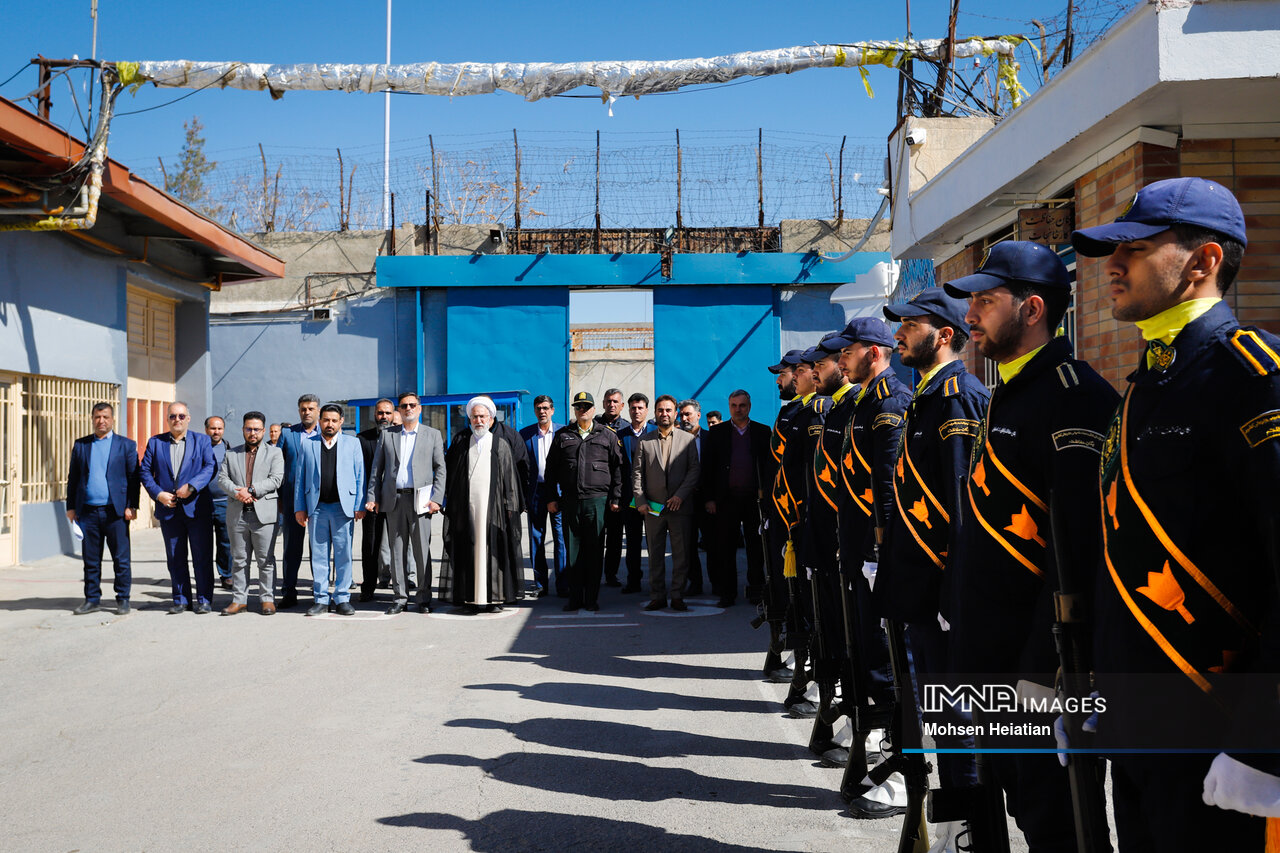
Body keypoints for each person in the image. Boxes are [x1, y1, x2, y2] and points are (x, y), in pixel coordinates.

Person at [1071, 177, 1280, 850]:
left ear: (1203, 261)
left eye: (1135, 247)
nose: (1113, 263)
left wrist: (1263, 745)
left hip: (1216, 734)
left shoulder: (1252, 378)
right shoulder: (1142, 388)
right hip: (1135, 729)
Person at [943, 241, 1120, 849]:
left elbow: (1080, 555)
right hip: (995, 657)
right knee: (1021, 805)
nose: (970, 314)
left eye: (986, 301)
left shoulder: (1074, 397)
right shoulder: (1011, 390)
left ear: (1033, 308)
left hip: (1038, 669)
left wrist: (1044, 676)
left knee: (1058, 821)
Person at [878, 287, 991, 843]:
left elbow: (963, 508)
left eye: (910, 325)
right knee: (939, 712)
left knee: (958, 715)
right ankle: (956, 820)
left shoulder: (957, 399)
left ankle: (968, 826)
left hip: (943, 591)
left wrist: (954, 592)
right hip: (920, 590)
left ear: (944, 335)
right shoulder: (927, 396)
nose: (899, 333)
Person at [833, 317, 913, 819]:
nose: (842, 359)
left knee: (892, 662)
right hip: (859, 547)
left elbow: (887, 487)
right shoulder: (865, 402)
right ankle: (887, 750)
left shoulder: (891, 403)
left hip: (879, 552)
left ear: (875, 352)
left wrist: (879, 554)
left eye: (849, 350)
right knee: (868, 653)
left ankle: (903, 765)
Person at [773, 348, 830, 717]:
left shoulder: (818, 411)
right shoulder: (798, 412)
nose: (790, 377)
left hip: (815, 523)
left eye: (799, 370)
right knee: (804, 604)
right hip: (797, 519)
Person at [366, 392, 446, 614]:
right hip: (394, 500)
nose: (408, 408)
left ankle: (423, 598)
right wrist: (372, 496)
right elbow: (377, 469)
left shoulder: (432, 435)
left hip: (421, 501)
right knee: (396, 551)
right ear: (398, 411)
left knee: (421, 551)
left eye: (412, 405)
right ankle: (400, 597)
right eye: (404, 406)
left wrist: (437, 498)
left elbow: (440, 468)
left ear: (419, 408)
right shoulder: (388, 435)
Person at [440, 396, 523, 611]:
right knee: (468, 551)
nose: (479, 420)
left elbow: (510, 479)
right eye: (475, 417)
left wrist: (510, 506)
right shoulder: (460, 442)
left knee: (492, 551)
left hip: (493, 509)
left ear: (491, 419)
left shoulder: (500, 444)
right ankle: (470, 599)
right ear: (469, 419)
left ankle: (494, 598)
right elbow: (451, 475)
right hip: (466, 508)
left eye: (483, 417)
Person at [545, 391, 623, 612]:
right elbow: (551, 470)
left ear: (594, 409)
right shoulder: (563, 436)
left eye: (586, 406)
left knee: (594, 552)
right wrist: (551, 497)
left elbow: (618, 469)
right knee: (573, 552)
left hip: (597, 501)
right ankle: (575, 598)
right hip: (570, 501)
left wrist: (616, 497)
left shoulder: (607, 435)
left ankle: (591, 598)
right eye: (578, 407)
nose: (582, 410)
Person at [140, 401, 217, 614]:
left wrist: (191, 487)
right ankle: (181, 600)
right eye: (173, 416)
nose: (177, 420)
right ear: (167, 419)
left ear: (188, 419)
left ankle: (204, 600)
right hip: (169, 509)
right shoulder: (155, 443)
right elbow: (145, 471)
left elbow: (210, 466)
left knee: (202, 557)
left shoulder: (202, 441)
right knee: (175, 558)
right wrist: (158, 494)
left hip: (197, 509)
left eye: (181, 416)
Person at [65, 402, 139, 616]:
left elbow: (134, 478)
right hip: (87, 512)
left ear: (112, 419)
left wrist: (132, 505)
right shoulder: (82, 445)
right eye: (97, 417)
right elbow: (73, 478)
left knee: (121, 559)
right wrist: (71, 506)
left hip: (116, 512)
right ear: (92, 419)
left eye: (105, 417)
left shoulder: (126, 445)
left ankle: (123, 599)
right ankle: (92, 599)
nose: (101, 421)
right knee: (91, 559)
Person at [761, 349, 807, 680]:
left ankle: (801, 649)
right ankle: (787, 643)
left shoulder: (812, 411)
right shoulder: (788, 411)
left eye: (784, 374)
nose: (779, 380)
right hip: (780, 511)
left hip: (798, 514)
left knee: (799, 588)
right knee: (782, 583)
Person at [294, 404, 365, 617]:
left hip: (343, 508)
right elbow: (300, 478)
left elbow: (360, 475)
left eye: (334, 420)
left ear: (341, 421)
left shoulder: (353, 444)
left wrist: (359, 504)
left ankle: (342, 598)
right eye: (326, 420)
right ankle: (321, 599)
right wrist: (300, 507)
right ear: (320, 421)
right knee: (319, 556)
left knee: (344, 555)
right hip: (317, 508)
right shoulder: (308, 444)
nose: (330, 424)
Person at [701, 390, 770, 608]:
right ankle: (727, 593)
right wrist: (709, 499)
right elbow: (707, 468)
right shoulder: (717, 432)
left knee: (756, 548)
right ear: (729, 407)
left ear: (749, 406)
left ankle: (756, 591)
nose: (738, 409)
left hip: (754, 500)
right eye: (734, 405)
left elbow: (769, 468)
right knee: (725, 548)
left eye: (742, 405)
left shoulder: (762, 431)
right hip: (726, 500)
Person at [634, 395, 702, 611]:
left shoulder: (687, 439)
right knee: (655, 554)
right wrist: (640, 500)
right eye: (660, 410)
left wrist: (680, 495)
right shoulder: (645, 441)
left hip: (679, 506)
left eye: (668, 410)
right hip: (653, 507)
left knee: (681, 554)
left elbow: (694, 470)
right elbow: (637, 473)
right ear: (655, 413)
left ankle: (677, 595)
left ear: (675, 413)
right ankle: (657, 596)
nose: (664, 414)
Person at [216, 411, 285, 615]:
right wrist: (238, 492)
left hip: (264, 514)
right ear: (243, 430)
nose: (252, 433)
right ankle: (239, 600)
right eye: (249, 429)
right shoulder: (231, 454)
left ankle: (267, 599)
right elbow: (222, 479)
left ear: (263, 431)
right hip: (238, 514)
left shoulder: (275, 453)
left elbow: (276, 479)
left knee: (266, 560)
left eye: (256, 429)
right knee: (239, 560)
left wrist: (252, 490)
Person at [520, 395, 565, 597]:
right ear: (535, 411)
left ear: (552, 410)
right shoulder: (526, 434)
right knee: (536, 538)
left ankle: (563, 583)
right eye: (538, 408)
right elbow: (521, 467)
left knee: (560, 538)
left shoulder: (563, 432)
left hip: (558, 491)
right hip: (536, 492)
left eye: (545, 408)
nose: (542, 411)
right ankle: (540, 584)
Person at [277, 394, 320, 608]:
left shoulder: (327, 432)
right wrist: (279, 498)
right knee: (291, 548)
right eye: (303, 409)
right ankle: (289, 592)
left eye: (311, 408)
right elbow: (277, 467)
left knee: (318, 548)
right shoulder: (288, 434)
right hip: (292, 500)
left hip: (319, 500)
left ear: (318, 410)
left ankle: (319, 592)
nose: (307, 412)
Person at [356, 399, 396, 602]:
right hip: (372, 502)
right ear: (375, 415)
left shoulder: (402, 436)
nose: (384, 417)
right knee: (370, 546)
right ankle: (368, 587)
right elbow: (359, 472)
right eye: (380, 413)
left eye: (388, 413)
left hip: (397, 500)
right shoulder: (363, 439)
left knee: (399, 544)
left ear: (393, 414)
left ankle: (402, 588)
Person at [616, 393, 655, 594]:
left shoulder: (656, 432)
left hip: (654, 498)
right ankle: (633, 581)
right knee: (632, 542)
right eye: (633, 408)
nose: (637, 411)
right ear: (628, 410)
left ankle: (656, 582)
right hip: (630, 498)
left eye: (640, 408)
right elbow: (616, 468)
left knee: (654, 541)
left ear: (647, 410)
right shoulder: (620, 435)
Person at [594, 387, 626, 587]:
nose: (611, 404)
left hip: (616, 493)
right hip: (596, 492)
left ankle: (611, 574)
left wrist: (618, 496)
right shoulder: (594, 426)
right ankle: (594, 574)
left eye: (615, 401)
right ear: (603, 403)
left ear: (622, 405)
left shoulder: (625, 429)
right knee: (595, 537)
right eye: (608, 401)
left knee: (614, 538)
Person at [678, 398, 709, 596]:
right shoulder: (675, 440)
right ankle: (694, 582)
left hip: (707, 501)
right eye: (681, 415)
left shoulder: (711, 438)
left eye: (688, 414)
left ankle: (718, 583)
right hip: (684, 501)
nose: (684, 418)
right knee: (688, 546)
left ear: (698, 415)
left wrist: (712, 498)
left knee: (713, 544)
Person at [204, 415, 233, 591]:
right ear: (206, 429)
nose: (216, 432)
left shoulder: (230, 450)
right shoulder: (199, 448)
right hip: (202, 504)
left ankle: (227, 575)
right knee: (203, 543)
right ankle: (205, 576)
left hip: (224, 503)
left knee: (225, 542)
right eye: (213, 428)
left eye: (219, 428)